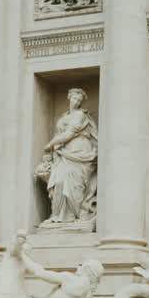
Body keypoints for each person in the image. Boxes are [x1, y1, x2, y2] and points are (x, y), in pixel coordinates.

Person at [39, 87, 98, 224]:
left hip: (79, 150)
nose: (76, 101)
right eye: (74, 98)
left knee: (75, 185)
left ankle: (73, 216)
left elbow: (69, 134)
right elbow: (61, 135)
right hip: (63, 152)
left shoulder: (80, 115)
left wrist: (50, 144)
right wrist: (54, 149)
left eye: (79, 100)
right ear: (69, 97)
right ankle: (57, 215)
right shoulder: (63, 117)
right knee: (59, 181)